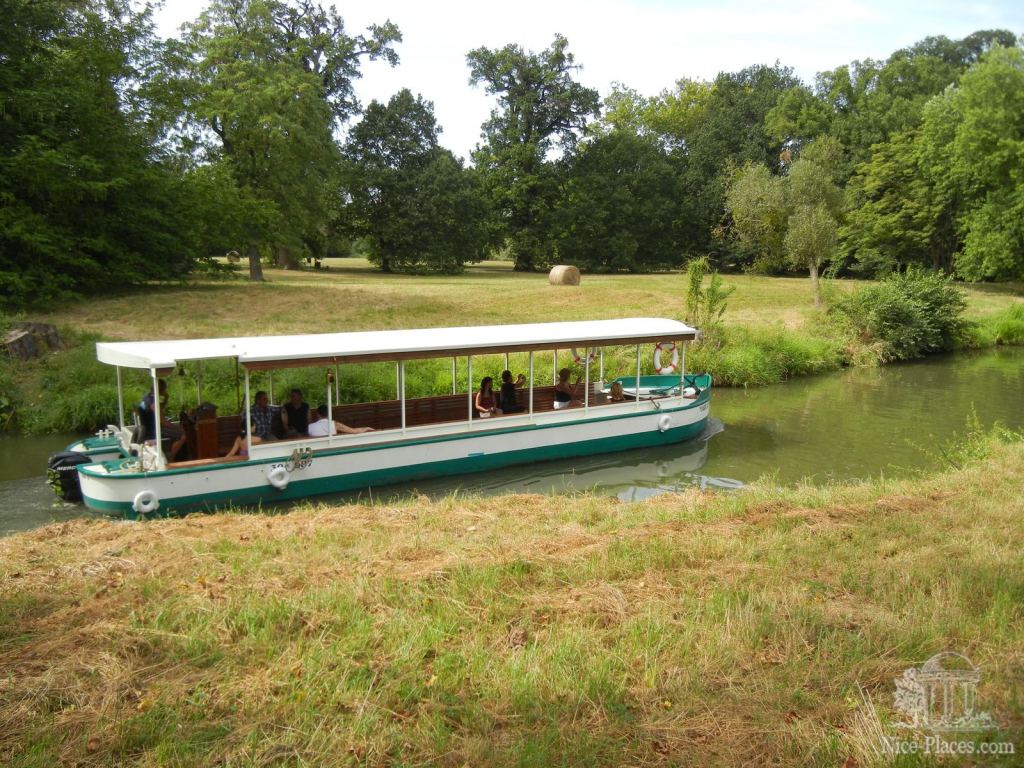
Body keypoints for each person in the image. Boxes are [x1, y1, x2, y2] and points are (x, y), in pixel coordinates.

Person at [140, 379, 187, 459]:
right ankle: (170, 458)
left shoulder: (146, 398)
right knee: (183, 435)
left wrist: (165, 400)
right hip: (154, 430)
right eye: (165, 389)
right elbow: (163, 422)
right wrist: (179, 429)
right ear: (161, 390)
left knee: (175, 430)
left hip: (148, 427)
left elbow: (158, 413)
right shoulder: (154, 403)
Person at [307, 404, 374, 436]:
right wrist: (366, 428)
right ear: (329, 414)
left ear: (317, 414)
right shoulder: (335, 424)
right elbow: (354, 431)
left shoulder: (309, 427)